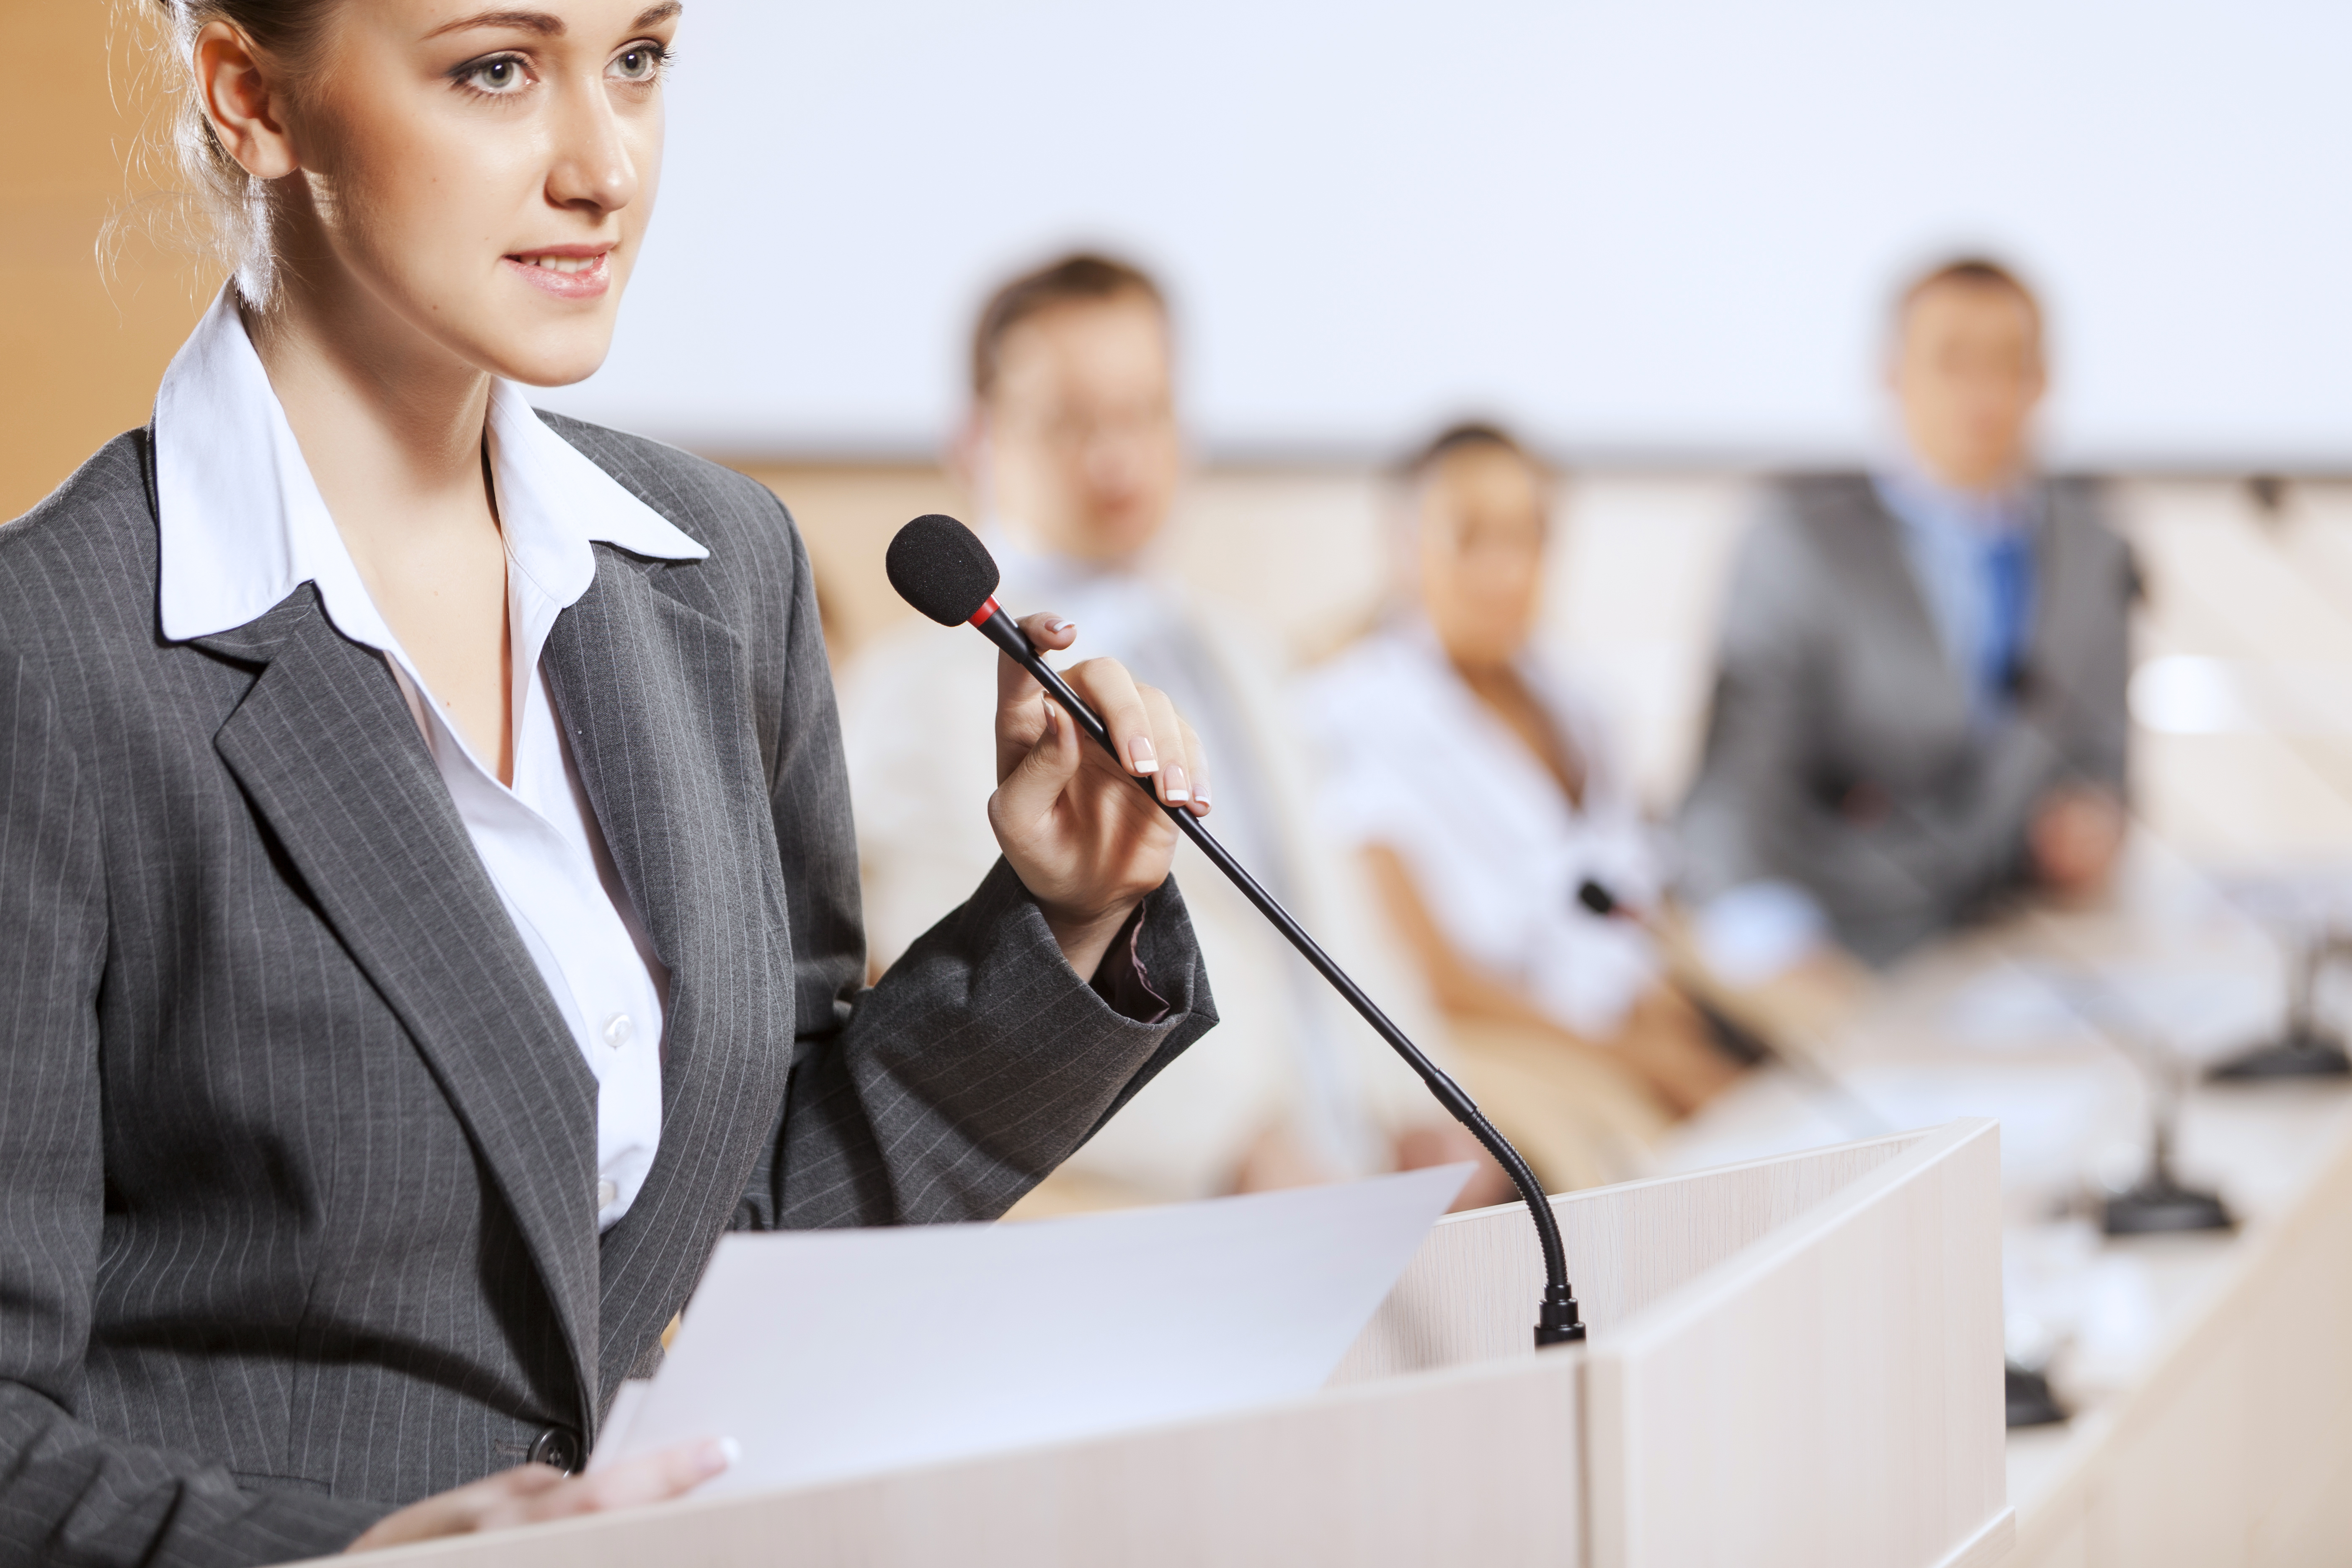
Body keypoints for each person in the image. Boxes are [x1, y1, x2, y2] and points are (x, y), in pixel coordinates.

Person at [0, 6, 1221, 1562]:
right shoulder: (48, 654)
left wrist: (1063, 916)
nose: (606, 167)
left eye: (637, 59)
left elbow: (748, 1236)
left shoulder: (723, 571)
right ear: (252, 98)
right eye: (495, 69)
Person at [844, 254, 1500, 1209]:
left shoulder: (1246, 653)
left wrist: (1421, 1104)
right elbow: (968, 997)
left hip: (1356, 1176)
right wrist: (1229, 1150)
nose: (1118, 459)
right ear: (974, 439)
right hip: (1178, 1202)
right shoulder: (917, 696)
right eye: (1072, 422)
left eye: (1145, 413)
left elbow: (1331, 908)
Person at [1296, 426, 1739, 1191]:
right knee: (1646, 1164)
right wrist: (1637, 1059)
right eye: (1470, 538)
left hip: (1614, 1017)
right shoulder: (1345, 715)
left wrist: (1678, 1023)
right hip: (1483, 1037)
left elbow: (1631, 901)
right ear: (1405, 547)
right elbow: (1434, 979)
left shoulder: (1579, 696)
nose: (1503, 570)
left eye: (1527, 537)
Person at [1678, 258, 2135, 968]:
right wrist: (1772, 946)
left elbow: (2106, 760)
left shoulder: (2089, 545)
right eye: (1953, 362)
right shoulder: (1799, 540)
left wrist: (2092, 818)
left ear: (2043, 382)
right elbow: (1735, 785)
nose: (1982, 394)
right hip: (1832, 940)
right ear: (1892, 375)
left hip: (2013, 947)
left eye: (2008, 364)